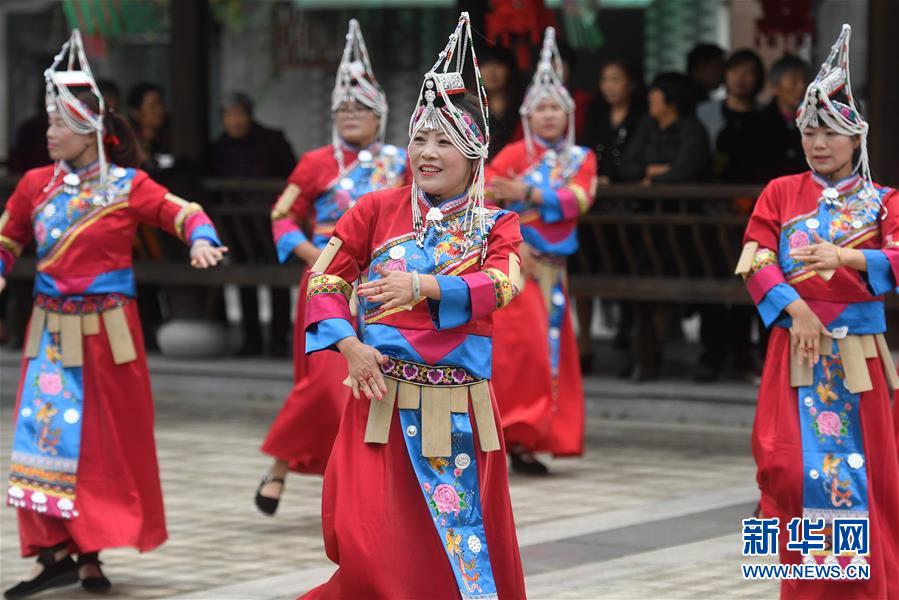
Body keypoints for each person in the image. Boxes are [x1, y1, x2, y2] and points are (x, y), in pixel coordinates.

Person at [299, 13, 526, 597]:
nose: (427, 152)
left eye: (444, 141)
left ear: (475, 154)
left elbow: (504, 285)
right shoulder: (375, 209)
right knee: (369, 543)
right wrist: (348, 345)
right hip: (381, 401)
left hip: (457, 409)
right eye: (420, 138)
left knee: (455, 541)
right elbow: (324, 281)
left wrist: (425, 289)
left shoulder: (498, 225)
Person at [0, 30, 226, 599]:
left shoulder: (129, 186)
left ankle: (91, 553)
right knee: (47, 439)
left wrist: (200, 239)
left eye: (59, 124)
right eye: (49, 122)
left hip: (110, 334)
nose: (49, 133)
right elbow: (7, 241)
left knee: (103, 446)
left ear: (89, 131)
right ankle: (53, 552)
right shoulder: (33, 186)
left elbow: (184, 212)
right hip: (50, 330)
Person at [737, 25, 899, 599]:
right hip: (796, 346)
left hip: (858, 359)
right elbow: (755, 259)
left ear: (856, 136)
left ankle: (863, 589)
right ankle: (798, 587)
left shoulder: (885, 201)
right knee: (782, 468)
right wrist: (794, 308)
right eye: (809, 130)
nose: (818, 142)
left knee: (866, 475)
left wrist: (848, 254)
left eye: (830, 130)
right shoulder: (780, 192)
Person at [255, 19, 409, 514]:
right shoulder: (316, 162)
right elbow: (282, 217)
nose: (350, 115)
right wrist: (315, 258)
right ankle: (280, 465)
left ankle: (359, 486)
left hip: (384, 288)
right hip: (330, 282)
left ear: (380, 113)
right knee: (323, 384)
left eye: (360, 107)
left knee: (377, 381)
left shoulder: (402, 161)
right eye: (342, 107)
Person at [486, 27, 596, 475]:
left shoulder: (582, 158)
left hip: (555, 269)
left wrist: (528, 193)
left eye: (555, 108)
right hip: (518, 266)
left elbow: (579, 199)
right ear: (529, 115)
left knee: (550, 352)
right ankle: (508, 434)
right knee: (518, 353)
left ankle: (535, 439)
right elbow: (487, 201)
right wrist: (514, 242)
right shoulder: (511, 153)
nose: (548, 117)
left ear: (567, 115)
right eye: (541, 109)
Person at [619, 72, 711, 380]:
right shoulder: (646, 125)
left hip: (683, 225)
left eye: (655, 97)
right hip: (644, 223)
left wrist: (651, 177)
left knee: (669, 278)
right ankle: (643, 350)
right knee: (639, 280)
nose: (650, 102)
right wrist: (651, 170)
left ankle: (655, 348)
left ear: (670, 102)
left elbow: (685, 171)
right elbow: (625, 166)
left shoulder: (692, 131)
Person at [695, 49, 767, 382]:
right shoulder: (706, 115)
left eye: (749, 72)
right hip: (713, 214)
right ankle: (712, 355)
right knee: (711, 282)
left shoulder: (765, 120)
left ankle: (742, 354)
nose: (741, 78)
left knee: (749, 285)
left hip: (754, 217)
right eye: (735, 71)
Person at [208, 91, 296, 357]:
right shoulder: (217, 148)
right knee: (244, 278)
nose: (234, 121)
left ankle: (279, 341)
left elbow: (292, 176)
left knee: (277, 278)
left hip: (271, 221)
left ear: (249, 114)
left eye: (239, 114)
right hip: (236, 225)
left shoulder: (272, 140)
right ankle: (251, 341)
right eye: (228, 116)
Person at [578, 56, 646, 368]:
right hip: (594, 207)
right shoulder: (595, 112)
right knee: (585, 269)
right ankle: (585, 343)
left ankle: (633, 341)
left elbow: (641, 159)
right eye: (606, 79)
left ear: (630, 83)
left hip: (631, 209)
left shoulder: (642, 114)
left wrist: (618, 176)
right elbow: (586, 150)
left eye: (616, 79)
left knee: (630, 271)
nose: (610, 86)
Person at [759, 54, 810, 179]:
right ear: (775, 86)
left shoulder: (814, 121)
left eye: (804, 80)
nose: (801, 87)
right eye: (794, 81)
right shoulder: (758, 123)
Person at [479, 44, 523, 159]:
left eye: (498, 64)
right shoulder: (470, 107)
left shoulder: (525, 106)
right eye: (485, 65)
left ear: (510, 69)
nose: (491, 71)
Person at [127, 82, 172, 170]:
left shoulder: (163, 139)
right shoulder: (130, 146)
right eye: (153, 105)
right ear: (135, 112)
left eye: (161, 103)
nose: (160, 109)